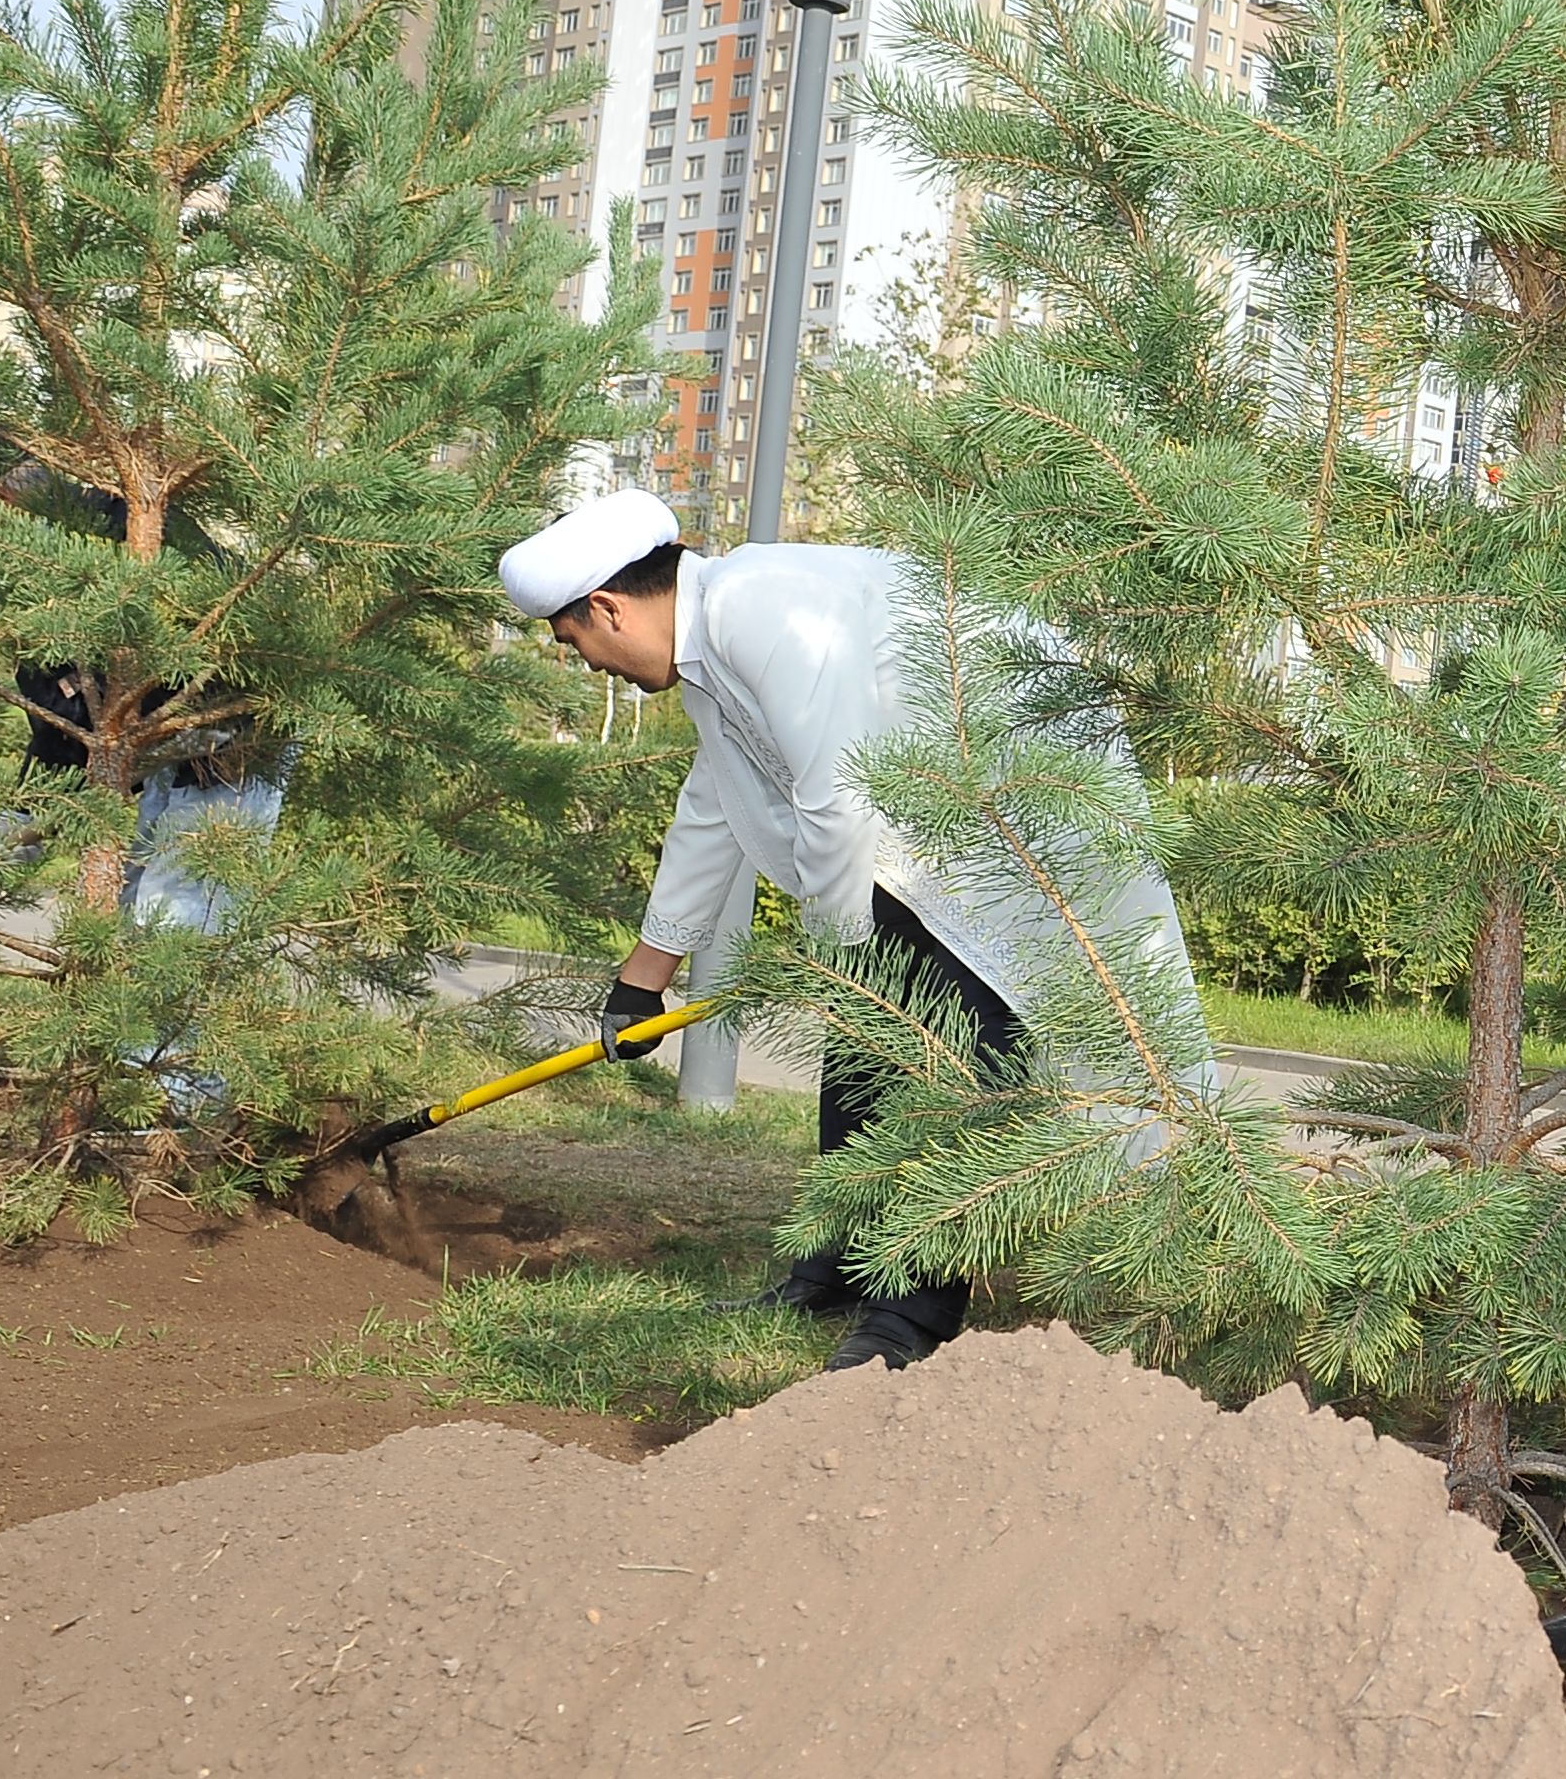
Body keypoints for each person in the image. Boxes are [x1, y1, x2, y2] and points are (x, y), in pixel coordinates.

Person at [502, 488, 1210, 1372]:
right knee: (867, 1046)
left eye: (575, 644)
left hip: (1013, 814)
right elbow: (717, 800)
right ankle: (842, 1259)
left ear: (607, 608)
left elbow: (835, 798)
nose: (586, 666)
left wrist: (844, 964)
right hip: (913, 826)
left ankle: (910, 1316)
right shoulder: (711, 643)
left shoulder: (764, 612)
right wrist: (644, 974)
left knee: (940, 1061)